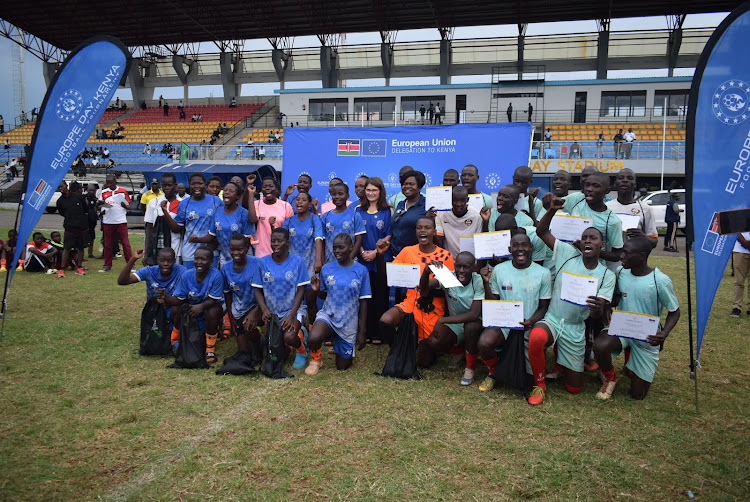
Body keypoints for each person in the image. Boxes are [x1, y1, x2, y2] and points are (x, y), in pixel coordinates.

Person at [526, 198, 615, 405]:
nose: (587, 241)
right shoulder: (567, 252)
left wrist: (597, 309)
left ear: (602, 245)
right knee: (536, 337)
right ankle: (539, 385)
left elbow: (594, 316)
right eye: (584, 238)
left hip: (575, 327)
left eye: (593, 238)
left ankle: (564, 363)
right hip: (553, 318)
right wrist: (552, 210)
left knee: (574, 388)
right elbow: (541, 232)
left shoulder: (606, 275)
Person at [594, 236, 680, 400]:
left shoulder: (660, 280)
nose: (621, 256)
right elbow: (618, 297)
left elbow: (675, 311)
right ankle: (610, 376)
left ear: (641, 256)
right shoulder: (621, 272)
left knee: (637, 395)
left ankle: (635, 366)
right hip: (622, 328)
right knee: (600, 345)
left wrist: (664, 334)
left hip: (646, 335)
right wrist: (605, 307)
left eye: (626, 253)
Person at [477, 233, 552, 393]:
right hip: (504, 325)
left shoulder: (543, 273)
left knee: (527, 380)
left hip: (529, 325)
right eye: (516, 246)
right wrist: (486, 283)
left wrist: (531, 321)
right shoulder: (499, 270)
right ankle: (493, 372)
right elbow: (493, 303)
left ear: (531, 248)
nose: (520, 249)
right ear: (510, 249)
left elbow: (544, 307)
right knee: (484, 343)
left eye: (524, 245)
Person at [378, 217, 454, 351]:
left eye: (427, 228)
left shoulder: (445, 256)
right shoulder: (407, 251)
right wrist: (380, 255)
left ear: (435, 232)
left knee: (425, 357)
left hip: (432, 308)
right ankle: (399, 350)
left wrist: (425, 274)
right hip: (410, 303)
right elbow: (388, 277)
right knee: (386, 320)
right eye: (419, 228)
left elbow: (432, 288)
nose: (423, 230)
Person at [306, 234, 371, 375]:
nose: (337, 251)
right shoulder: (327, 269)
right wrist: (317, 291)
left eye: (341, 247)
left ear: (351, 247)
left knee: (342, 367)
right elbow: (324, 295)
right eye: (334, 248)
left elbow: (364, 301)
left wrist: (363, 332)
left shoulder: (361, 271)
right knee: (313, 338)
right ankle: (316, 360)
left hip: (348, 321)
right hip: (329, 315)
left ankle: (339, 343)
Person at [253, 227, 310, 370]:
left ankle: (302, 349)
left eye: (280, 241)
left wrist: (291, 316)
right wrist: (264, 309)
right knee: (279, 357)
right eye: (273, 241)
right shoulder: (262, 262)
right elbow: (257, 289)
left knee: (289, 337)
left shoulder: (298, 262)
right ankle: (299, 333)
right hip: (272, 312)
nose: (275, 244)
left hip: (292, 310)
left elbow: (301, 290)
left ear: (288, 243)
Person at [420, 252, 483, 377]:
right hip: (456, 323)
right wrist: (426, 272)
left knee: (470, 327)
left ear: (473, 267)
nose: (461, 270)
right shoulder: (449, 276)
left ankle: (470, 368)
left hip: (476, 323)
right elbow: (425, 291)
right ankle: (459, 350)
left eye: (466, 267)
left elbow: (474, 314)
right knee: (433, 343)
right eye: (458, 266)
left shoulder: (478, 280)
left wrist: (442, 320)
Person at [163, 247, 224, 362]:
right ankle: (175, 339)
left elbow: (213, 300)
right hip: (192, 309)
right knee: (176, 309)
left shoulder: (216, 275)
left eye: (203, 259)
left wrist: (200, 307)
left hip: (208, 309)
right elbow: (179, 299)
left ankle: (210, 349)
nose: (199, 262)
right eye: (196, 259)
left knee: (212, 311)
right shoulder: (187, 275)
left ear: (211, 261)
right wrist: (165, 297)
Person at [355, 177, 393, 343]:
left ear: (380, 192)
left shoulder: (387, 211)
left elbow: (389, 235)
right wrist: (363, 251)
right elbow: (357, 235)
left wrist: (376, 253)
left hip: (381, 259)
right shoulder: (358, 210)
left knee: (381, 295)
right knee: (366, 297)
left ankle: (379, 333)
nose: (370, 193)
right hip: (363, 259)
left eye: (374, 190)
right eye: (368, 190)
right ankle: (367, 332)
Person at [118, 248, 185, 335]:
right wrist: (133, 259)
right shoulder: (149, 271)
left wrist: (166, 299)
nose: (165, 264)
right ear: (157, 260)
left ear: (174, 261)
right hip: (154, 309)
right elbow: (122, 281)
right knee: (153, 338)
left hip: (172, 309)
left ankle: (175, 335)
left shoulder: (181, 271)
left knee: (178, 308)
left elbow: (184, 297)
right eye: (162, 260)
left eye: (169, 261)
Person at [161, 172, 222, 269]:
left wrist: (215, 243)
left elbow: (221, 225)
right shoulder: (184, 204)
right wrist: (165, 211)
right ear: (189, 186)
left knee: (210, 280)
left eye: (200, 183)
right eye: (193, 184)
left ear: (205, 186)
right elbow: (177, 228)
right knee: (190, 280)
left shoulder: (216, 201)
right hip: (190, 251)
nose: (197, 186)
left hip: (210, 250)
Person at [282, 192, 325, 321]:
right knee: (294, 301)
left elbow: (318, 239)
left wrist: (318, 261)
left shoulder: (314, 219)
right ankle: (297, 327)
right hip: (293, 268)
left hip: (310, 266)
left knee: (311, 300)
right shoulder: (289, 221)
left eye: (303, 200)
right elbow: (280, 238)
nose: (299, 202)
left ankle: (312, 326)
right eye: (297, 200)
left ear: (309, 203)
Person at [221, 234, 262, 362]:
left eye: (239, 249)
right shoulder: (226, 268)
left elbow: (265, 291)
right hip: (239, 308)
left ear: (247, 248)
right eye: (232, 249)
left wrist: (255, 312)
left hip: (258, 306)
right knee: (243, 352)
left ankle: (259, 349)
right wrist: (230, 315)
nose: (236, 253)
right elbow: (228, 293)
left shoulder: (257, 263)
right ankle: (260, 341)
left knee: (248, 326)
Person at [606, 168, 658, 257]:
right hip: (609, 264)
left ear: (635, 184)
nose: (625, 180)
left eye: (630, 178)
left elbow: (654, 242)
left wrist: (643, 237)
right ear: (615, 183)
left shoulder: (645, 209)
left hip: (633, 265)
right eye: (621, 178)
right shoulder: (606, 207)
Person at [203, 182, 255, 267]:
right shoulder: (217, 211)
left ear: (237, 197)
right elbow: (211, 235)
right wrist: (197, 239)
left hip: (243, 257)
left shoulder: (243, 213)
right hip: (225, 257)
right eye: (225, 190)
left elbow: (247, 240)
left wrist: (238, 257)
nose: (227, 192)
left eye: (231, 191)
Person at [249, 176, 294, 258]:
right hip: (261, 253)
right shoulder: (256, 204)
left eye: (271, 186)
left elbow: (289, 230)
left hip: (281, 253)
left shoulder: (286, 206)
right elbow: (252, 219)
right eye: (265, 187)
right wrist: (251, 195)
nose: (267, 188)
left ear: (276, 189)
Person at [143, 173, 183, 265]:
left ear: (175, 186)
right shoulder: (153, 203)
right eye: (164, 185)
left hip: (175, 247)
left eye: (170, 185)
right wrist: (146, 252)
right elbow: (149, 228)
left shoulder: (182, 204)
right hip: (157, 248)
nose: (167, 188)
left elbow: (182, 230)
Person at [96, 174, 133, 273]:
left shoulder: (123, 191)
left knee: (125, 243)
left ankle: (131, 264)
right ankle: (107, 265)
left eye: (111, 182)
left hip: (120, 221)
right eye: (107, 183)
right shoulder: (104, 192)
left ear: (115, 181)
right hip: (108, 221)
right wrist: (100, 208)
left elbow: (129, 206)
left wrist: (125, 205)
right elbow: (99, 206)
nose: (109, 184)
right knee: (108, 244)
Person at [321, 183, 365, 263]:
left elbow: (359, 240)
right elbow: (322, 242)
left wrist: (349, 259)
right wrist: (323, 262)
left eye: (340, 194)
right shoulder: (326, 216)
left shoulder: (355, 215)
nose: (337, 197)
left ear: (347, 196)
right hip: (330, 262)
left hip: (350, 264)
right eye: (334, 194)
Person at [435, 186, 483, 258]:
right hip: (449, 260)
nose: (458, 204)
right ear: (450, 200)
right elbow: (438, 241)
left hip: (469, 262)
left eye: (462, 200)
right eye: (455, 200)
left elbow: (479, 244)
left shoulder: (476, 216)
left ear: (467, 200)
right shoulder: (441, 214)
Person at [55, 181, 90, 277]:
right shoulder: (60, 201)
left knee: (80, 248)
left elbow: (86, 209)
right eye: (58, 187)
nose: (60, 188)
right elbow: (62, 213)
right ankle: (62, 269)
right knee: (67, 248)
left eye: (61, 186)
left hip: (81, 227)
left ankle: (79, 267)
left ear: (66, 186)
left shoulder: (78, 197)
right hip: (69, 227)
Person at [390, 170, 428, 257]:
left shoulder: (426, 206)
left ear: (419, 187)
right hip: (395, 256)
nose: (407, 186)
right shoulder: (400, 204)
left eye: (411, 184)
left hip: (416, 256)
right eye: (404, 184)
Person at [730, 233, 750, 317]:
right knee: (739, 281)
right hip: (740, 250)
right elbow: (734, 228)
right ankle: (737, 307)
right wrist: (743, 241)